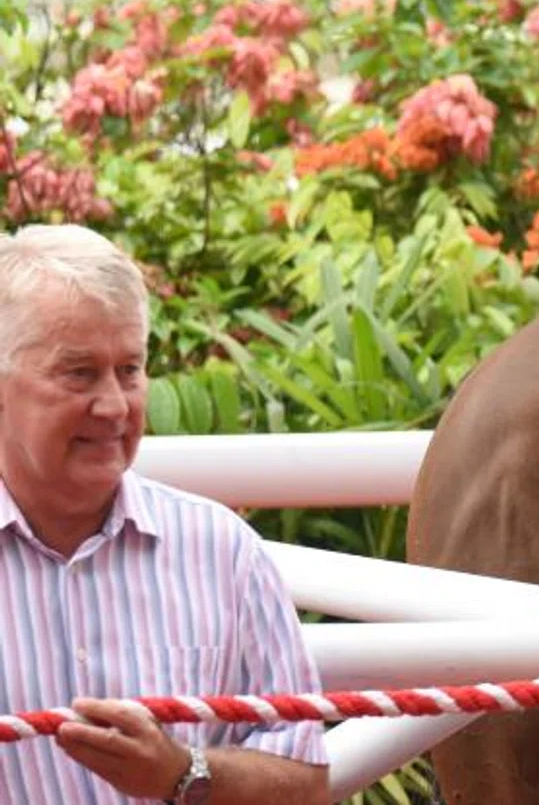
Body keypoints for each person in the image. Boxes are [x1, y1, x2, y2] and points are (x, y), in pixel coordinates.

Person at [0, 225, 328, 805]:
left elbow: (304, 779)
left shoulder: (220, 550)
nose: (114, 405)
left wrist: (185, 774)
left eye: (130, 370)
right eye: (79, 373)